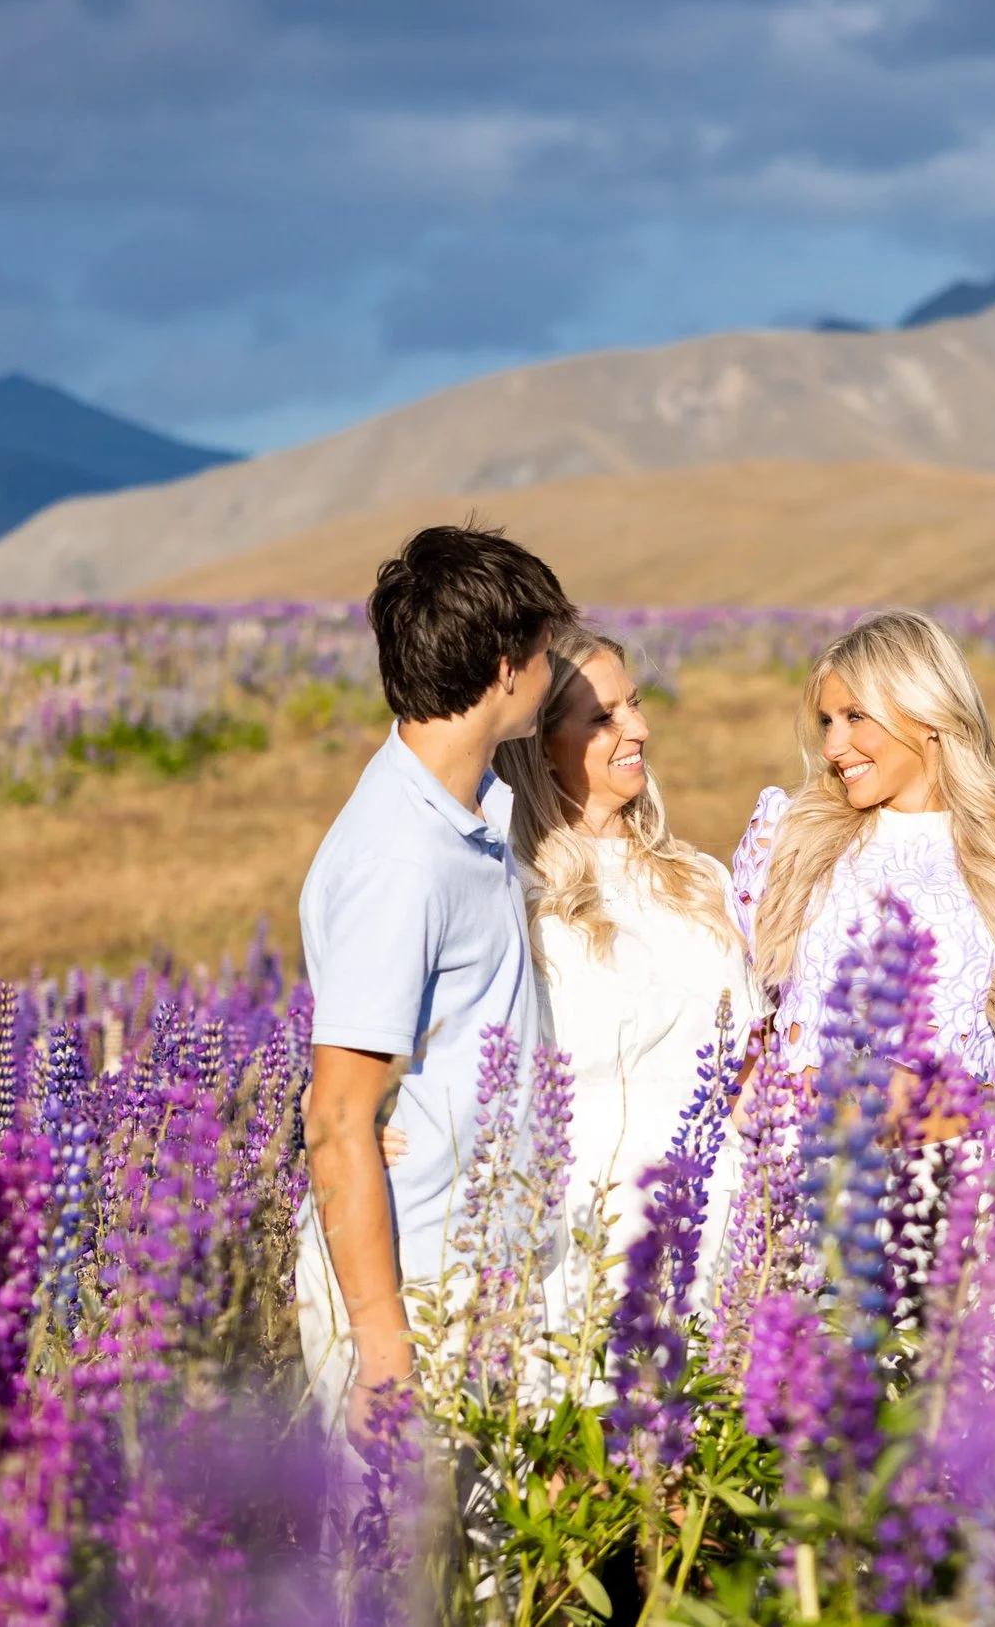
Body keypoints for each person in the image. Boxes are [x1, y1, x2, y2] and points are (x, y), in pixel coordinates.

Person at [293, 523, 574, 1468]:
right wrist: (384, 1354)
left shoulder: (468, 811)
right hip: (414, 1283)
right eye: (543, 652)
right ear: (503, 669)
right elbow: (337, 1117)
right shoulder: (399, 860)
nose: (553, 671)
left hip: (479, 1265)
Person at [490, 626, 758, 1311]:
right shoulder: (517, 894)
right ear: (542, 748)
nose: (638, 726)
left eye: (634, 704)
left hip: (720, 1217)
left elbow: (751, 1066)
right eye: (604, 717)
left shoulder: (699, 878)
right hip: (588, 1233)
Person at [731, 609, 995, 1086]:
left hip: (954, 1155)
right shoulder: (790, 833)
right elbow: (737, 1010)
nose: (832, 747)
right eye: (827, 721)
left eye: (855, 717)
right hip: (808, 1151)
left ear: (928, 715)